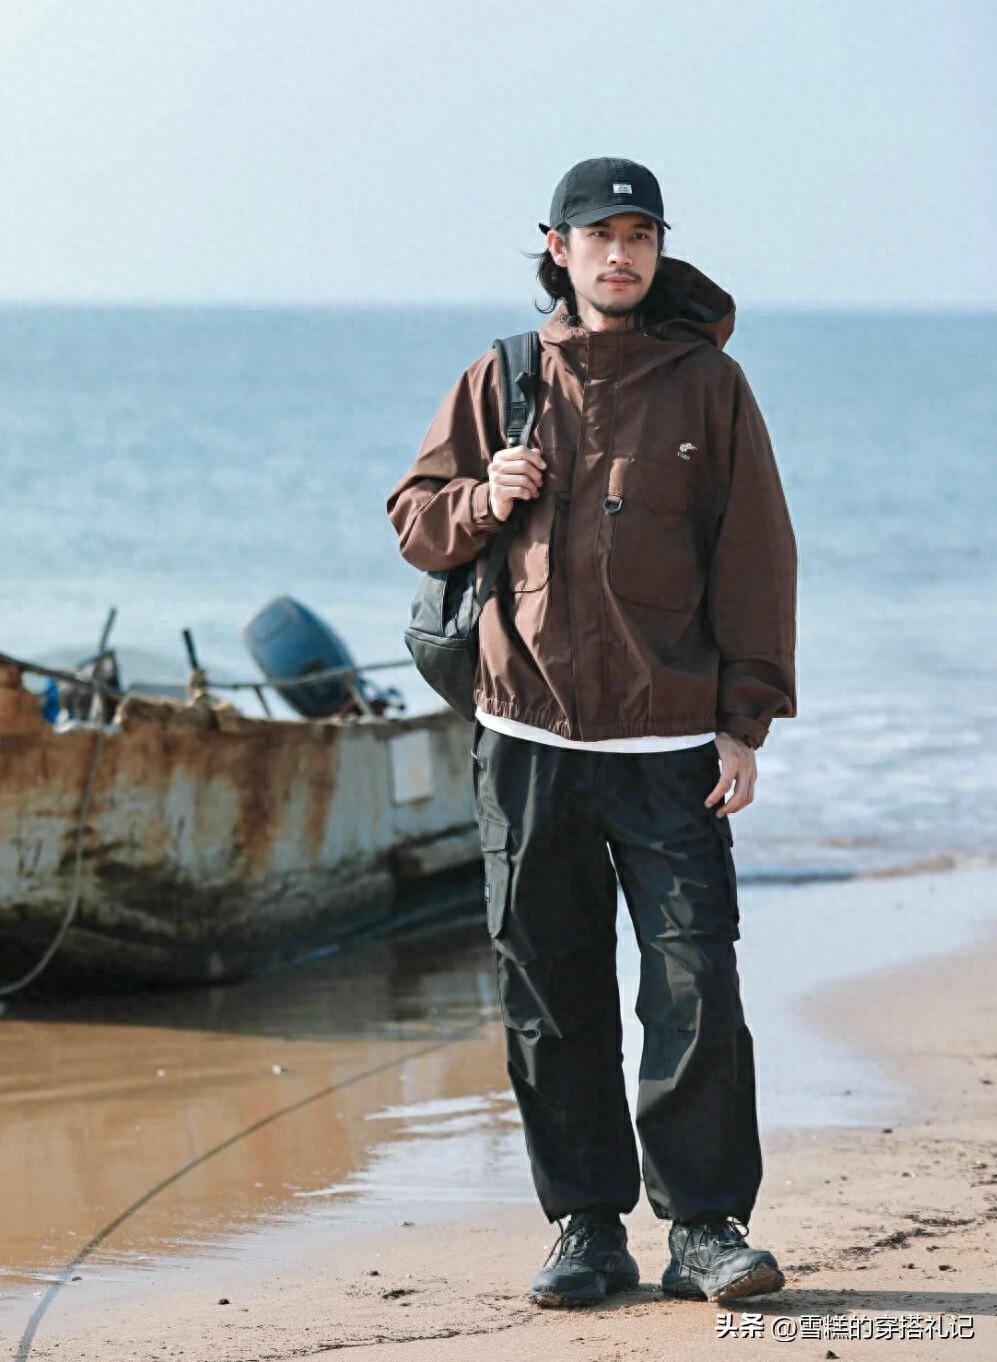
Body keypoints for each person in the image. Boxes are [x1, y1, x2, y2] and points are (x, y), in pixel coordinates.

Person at [386, 157, 798, 1309]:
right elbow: (416, 521)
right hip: (526, 739)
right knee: (549, 993)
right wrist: (487, 495)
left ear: (658, 249)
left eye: (639, 236)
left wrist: (743, 724)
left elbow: (756, 557)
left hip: (669, 746)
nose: (620, 255)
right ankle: (585, 1228)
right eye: (599, 236)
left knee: (696, 985)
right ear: (556, 248)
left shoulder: (709, 386)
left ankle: (706, 1228)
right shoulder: (503, 375)